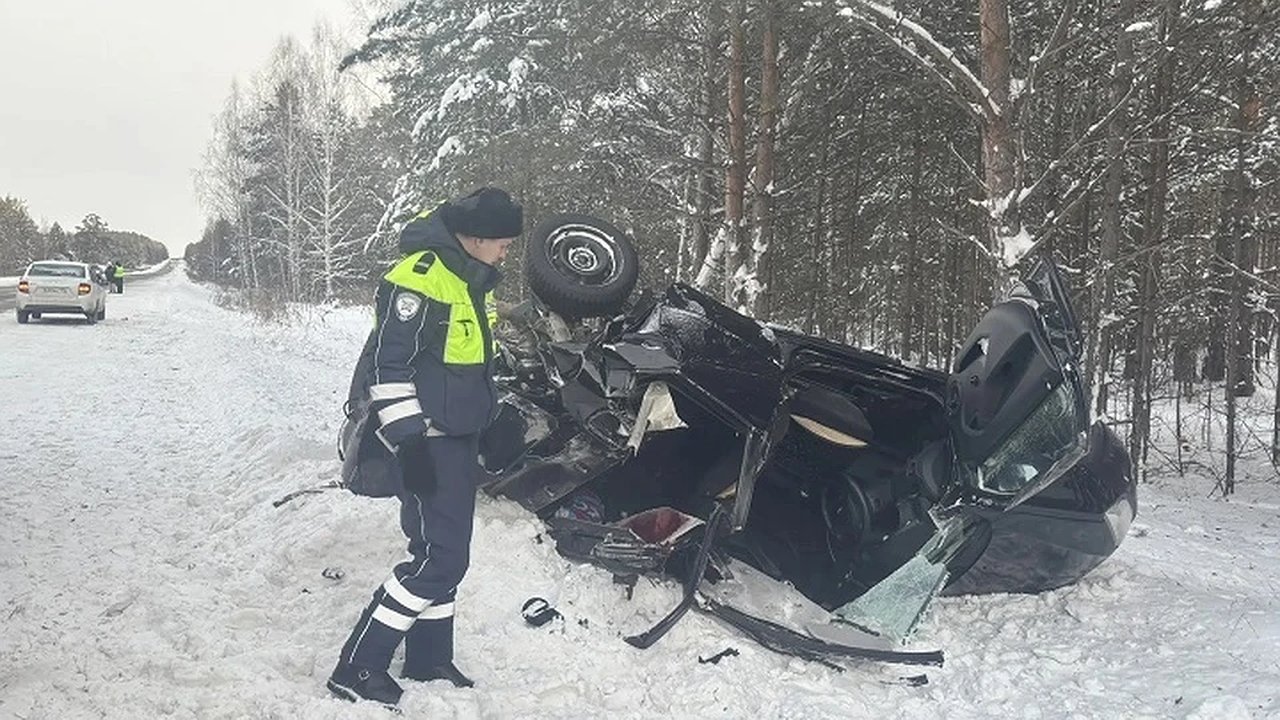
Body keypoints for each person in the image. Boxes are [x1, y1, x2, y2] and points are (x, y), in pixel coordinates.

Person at [328, 187, 521, 708]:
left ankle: (429, 657)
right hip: (428, 442)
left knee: (437, 550)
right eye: (503, 243)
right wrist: (409, 444)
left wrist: (490, 419)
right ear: (475, 237)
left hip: (456, 439)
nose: (506, 253)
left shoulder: (470, 280)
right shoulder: (418, 279)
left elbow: (467, 366)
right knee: (442, 560)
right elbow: (387, 370)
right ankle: (358, 667)